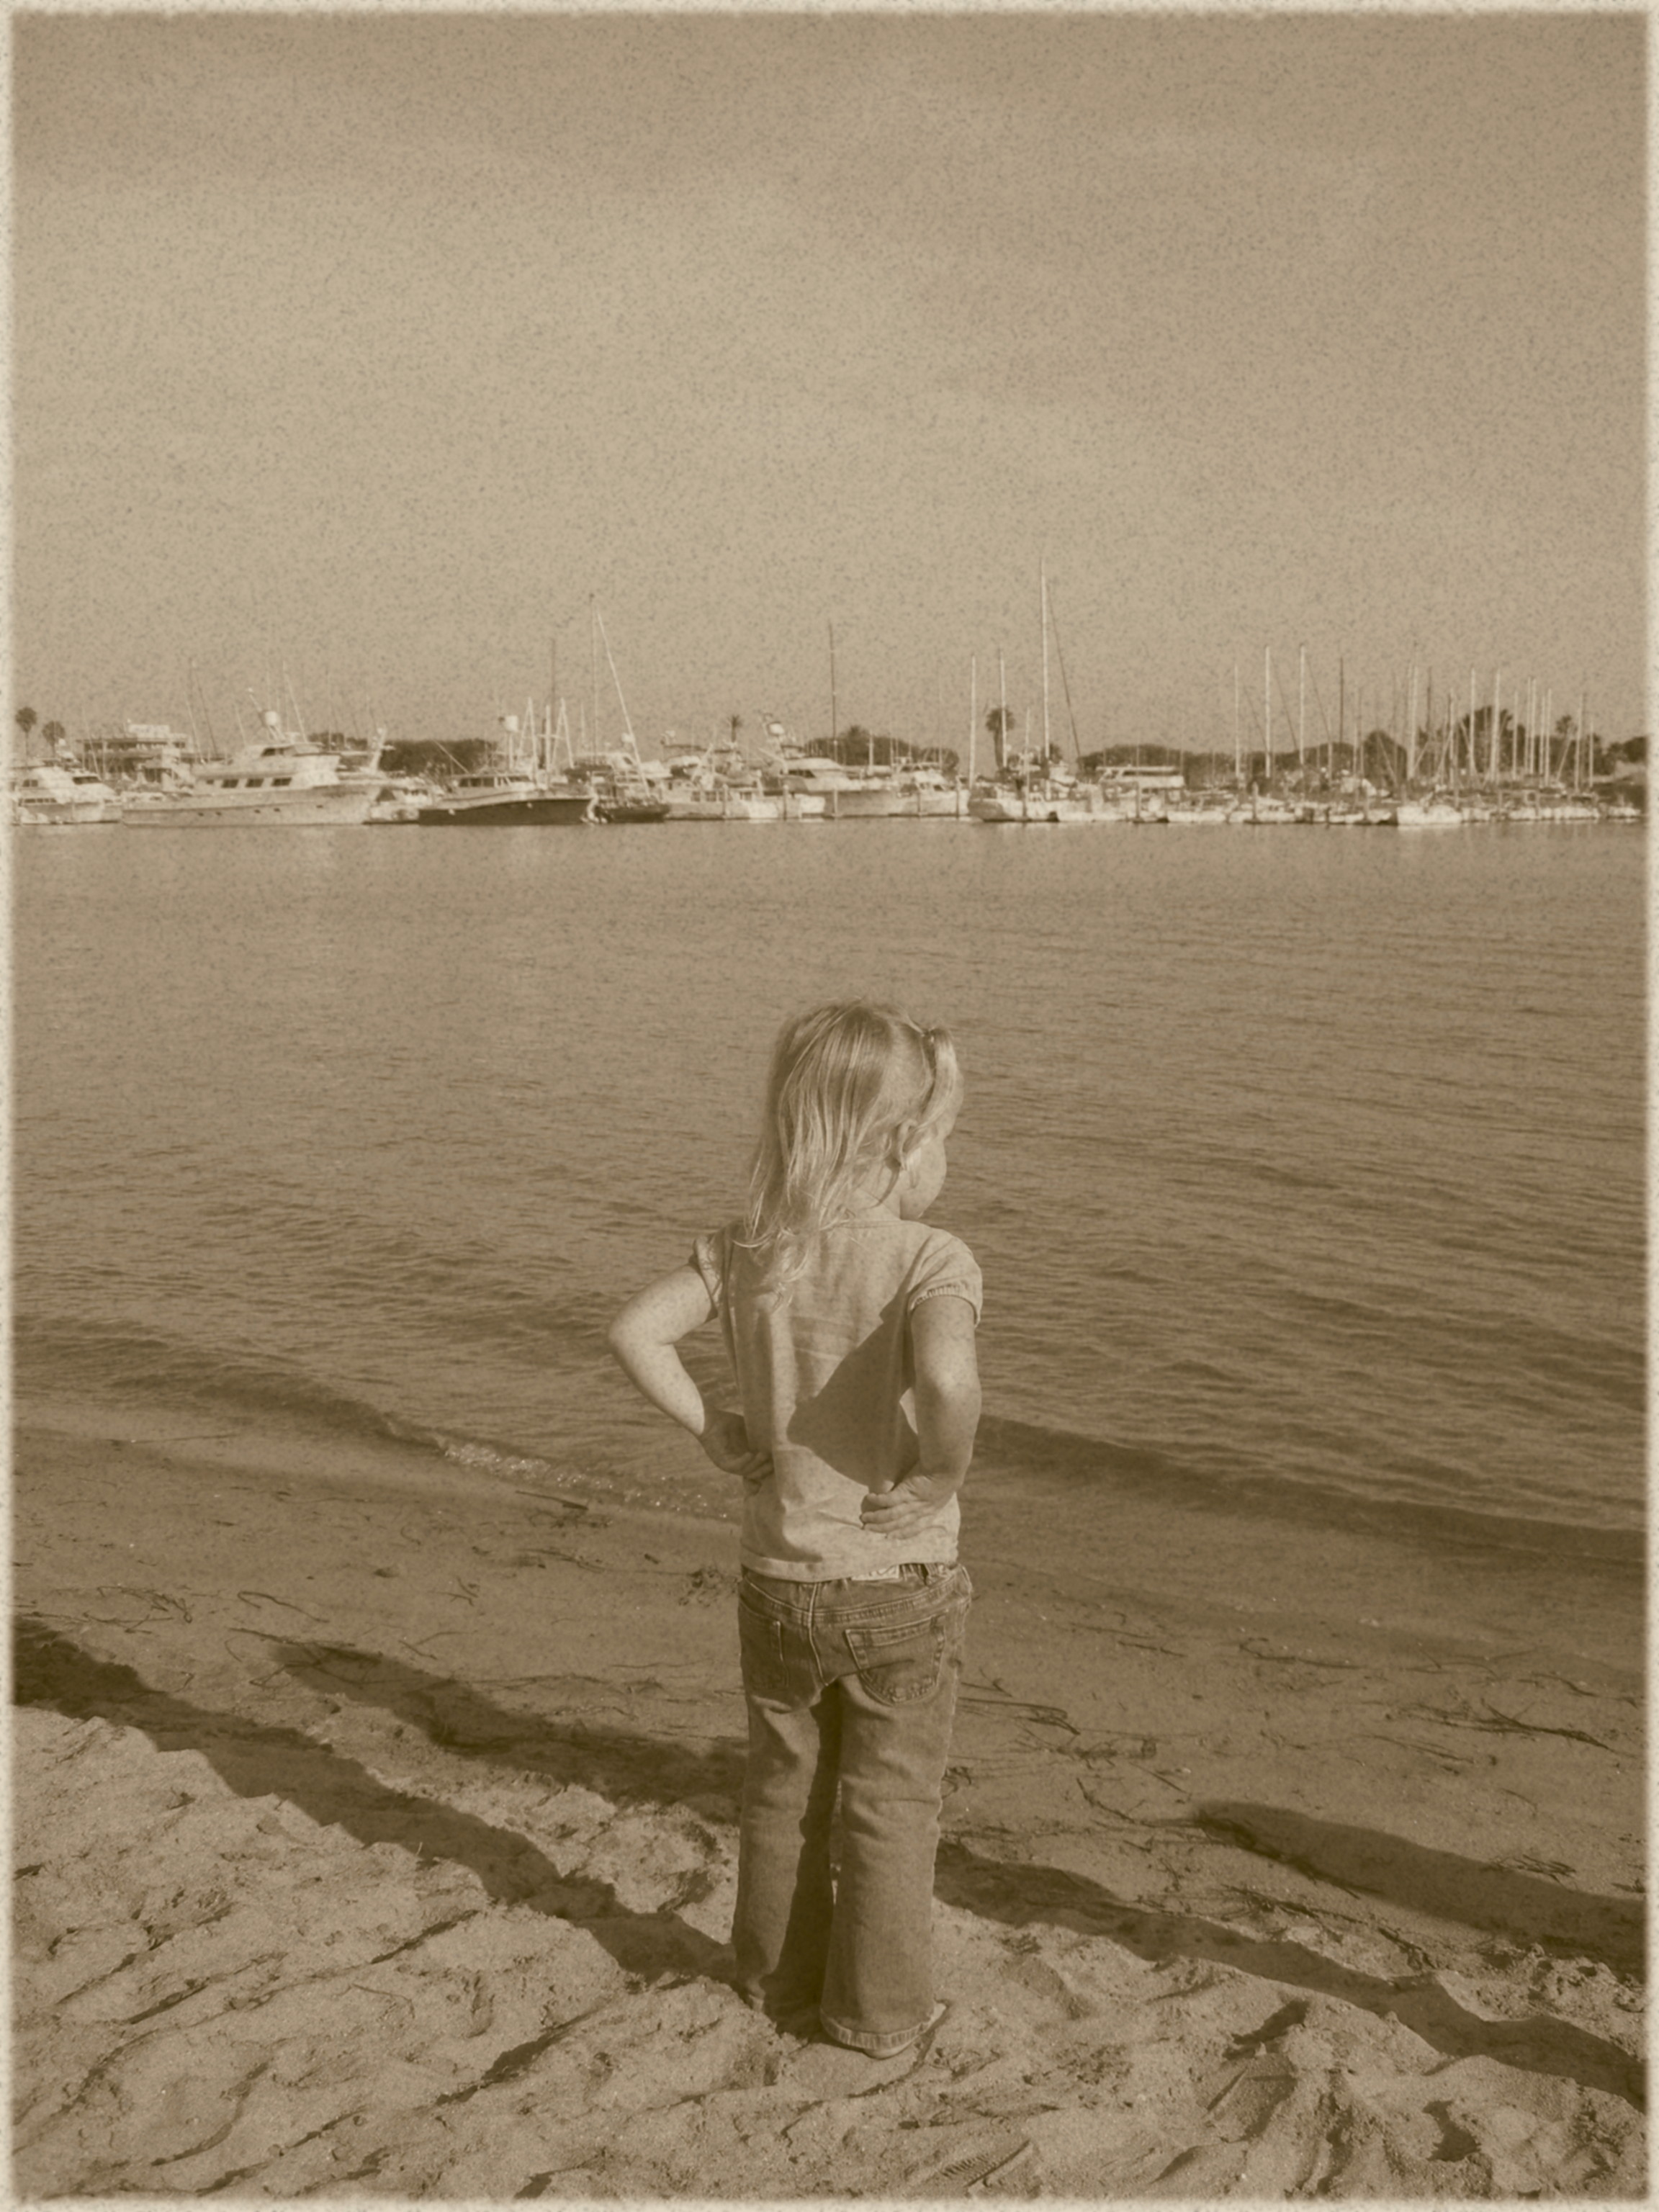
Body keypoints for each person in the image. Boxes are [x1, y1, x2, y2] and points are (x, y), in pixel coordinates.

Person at [608, 999, 981, 2057]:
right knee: (890, 1805)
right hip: (897, 1584)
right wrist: (940, 1472)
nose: (947, 1160)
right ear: (903, 1144)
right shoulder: (931, 1258)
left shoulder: (749, 1249)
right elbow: (949, 1379)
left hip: (778, 1582)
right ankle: (878, 2015)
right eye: (944, 1137)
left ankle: (774, 1985)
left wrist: (714, 1429)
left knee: (783, 1793)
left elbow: (634, 1332)